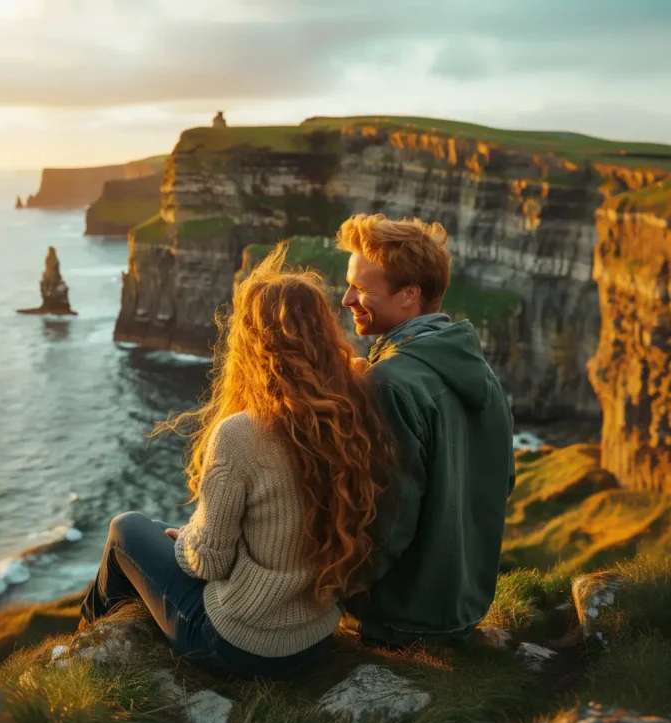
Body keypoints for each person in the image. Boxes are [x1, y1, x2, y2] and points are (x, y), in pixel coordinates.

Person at [80, 246, 395, 678]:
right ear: (324, 333)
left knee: (126, 529)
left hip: (239, 644)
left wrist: (188, 537)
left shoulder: (241, 433)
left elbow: (208, 563)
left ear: (253, 343)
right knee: (156, 533)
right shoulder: (351, 411)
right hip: (316, 636)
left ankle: (83, 650)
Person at [336, 213, 516, 647]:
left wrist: (330, 586)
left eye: (360, 288)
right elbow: (502, 481)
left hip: (399, 618)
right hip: (462, 608)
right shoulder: (478, 371)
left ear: (409, 295)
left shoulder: (389, 384)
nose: (345, 299)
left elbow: (387, 522)